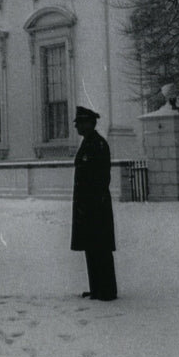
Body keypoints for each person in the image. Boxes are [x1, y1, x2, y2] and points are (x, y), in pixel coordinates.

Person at [70, 106, 117, 301]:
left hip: (96, 206)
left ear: (89, 123)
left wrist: (91, 202)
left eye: (80, 123)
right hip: (88, 205)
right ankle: (96, 286)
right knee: (92, 247)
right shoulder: (89, 143)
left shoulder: (97, 144)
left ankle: (106, 290)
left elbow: (99, 178)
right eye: (77, 123)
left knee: (100, 248)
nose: (77, 127)